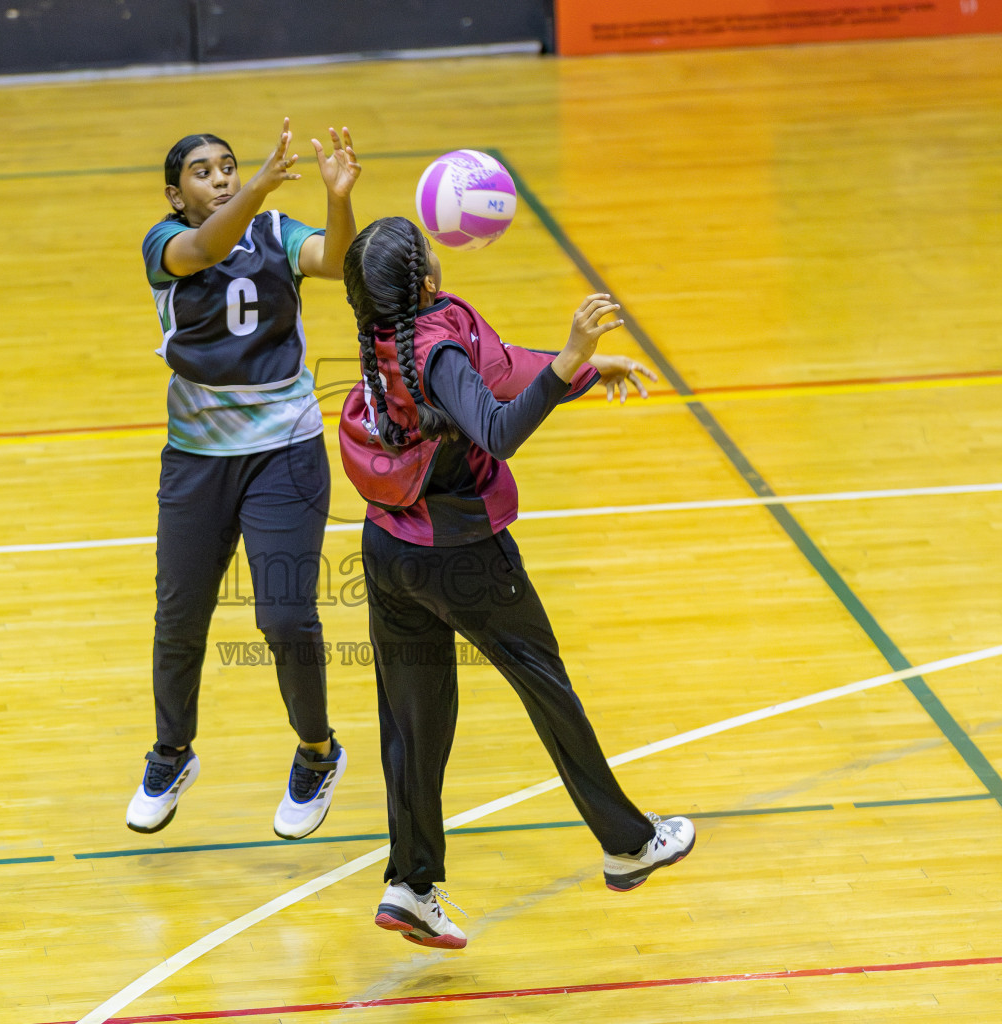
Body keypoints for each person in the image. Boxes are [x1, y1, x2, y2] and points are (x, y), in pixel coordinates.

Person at [336, 216, 695, 949]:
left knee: (412, 721)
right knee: (547, 688)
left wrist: (588, 374)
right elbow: (495, 426)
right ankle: (628, 844)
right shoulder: (435, 343)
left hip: (389, 550)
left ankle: (411, 884)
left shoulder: (387, 336)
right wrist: (570, 358)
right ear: (427, 279)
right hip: (464, 554)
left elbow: (495, 372)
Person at [126, 119, 359, 841]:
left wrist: (338, 198)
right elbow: (206, 247)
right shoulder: (163, 246)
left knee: (285, 618)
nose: (221, 176)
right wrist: (257, 188)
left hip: (285, 452)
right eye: (203, 170)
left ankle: (318, 753)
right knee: (180, 617)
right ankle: (171, 751)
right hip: (196, 456)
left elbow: (339, 260)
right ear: (175, 192)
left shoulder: (279, 232)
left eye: (228, 166)